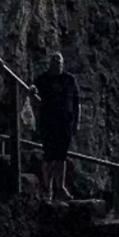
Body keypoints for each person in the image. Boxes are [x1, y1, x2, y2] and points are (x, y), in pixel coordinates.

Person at [33, 52, 81, 201]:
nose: (57, 64)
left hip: (65, 123)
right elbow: (33, 96)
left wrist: (76, 123)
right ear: (50, 63)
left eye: (59, 62)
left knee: (61, 156)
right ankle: (48, 188)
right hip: (47, 123)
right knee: (48, 156)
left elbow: (76, 103)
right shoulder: (42, 80)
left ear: (63, 63)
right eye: (54, 62)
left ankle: (60, 187)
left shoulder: (69, 80)